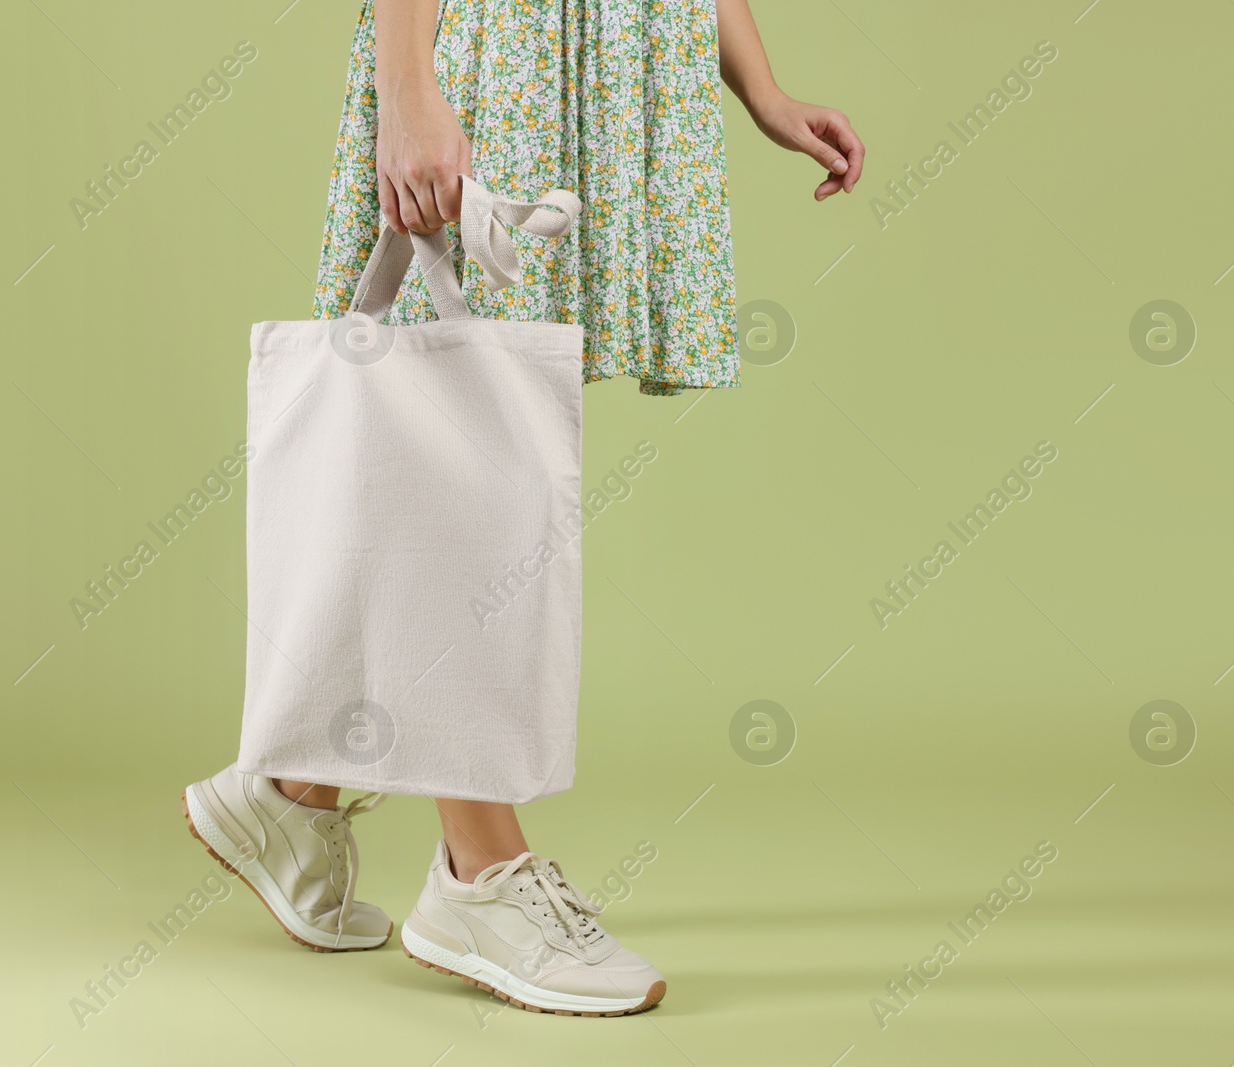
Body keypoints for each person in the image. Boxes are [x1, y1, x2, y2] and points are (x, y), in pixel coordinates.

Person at [183, 0, 863, 1018]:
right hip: (509, 51)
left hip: (612, 55)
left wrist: (758, 83)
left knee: (488, 423)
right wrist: (409, 87)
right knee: (464, 447)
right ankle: (478, 873)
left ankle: (293, 790)